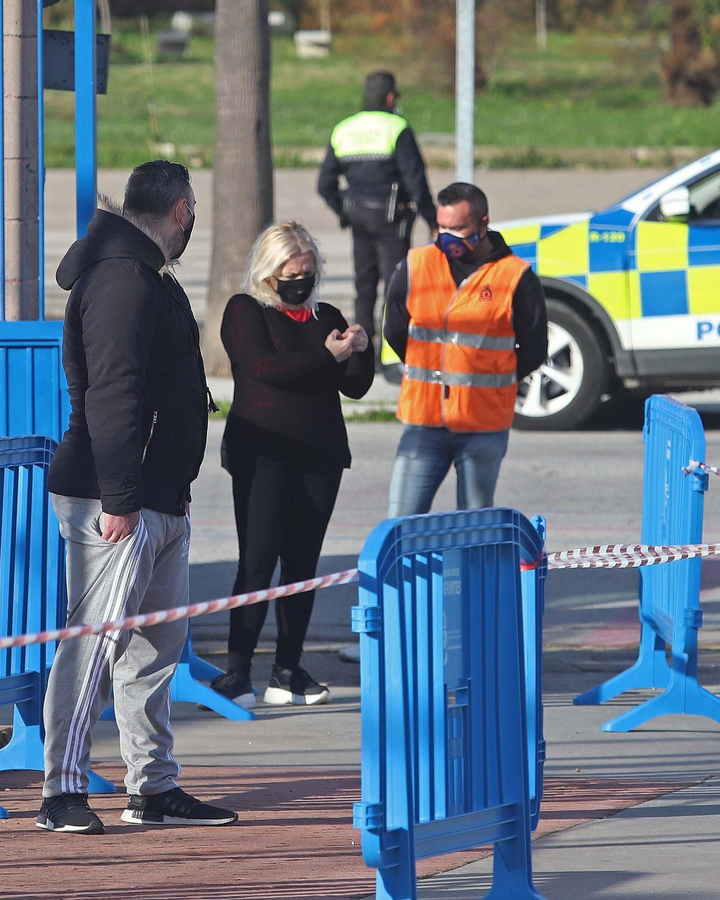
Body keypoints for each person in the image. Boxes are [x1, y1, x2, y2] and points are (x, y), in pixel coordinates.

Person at [39, 160, 237, 834]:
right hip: (114, 497)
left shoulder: (146, 272)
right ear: (181, 210)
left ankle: (152, 788)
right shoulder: (125, 278)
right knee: (93, 647)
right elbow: (112, 395)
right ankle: (61, 793)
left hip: (160, 496)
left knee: (155, 651)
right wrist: (121, 497)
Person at [211, 222, 373, 708]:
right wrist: (327, 358)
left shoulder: (325, 315)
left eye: (308, 273)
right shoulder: (246, 311)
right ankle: (237, 671)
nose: (301, 282)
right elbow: (262, 370)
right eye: (291, 274)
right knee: (257, 563)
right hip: (263, 454)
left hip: (318, 456)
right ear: (269, 272)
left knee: (302, 567)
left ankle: (288, 668)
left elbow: (355, 386)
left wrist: (360, 352)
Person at [382, 182, 548, 518]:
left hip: (483, 423)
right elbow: (395, 332)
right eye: (442, 227)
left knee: (472, 525)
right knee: (401, 523)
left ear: (483, 224)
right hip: (423, 421)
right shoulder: (416, 265)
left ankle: (468, 574)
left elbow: (533, 347)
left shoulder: (515, 276)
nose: (448, 237)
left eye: (458, 229)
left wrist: (491, 375)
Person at [317, 71, 437, 343]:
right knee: (395, 286)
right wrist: (433, 221)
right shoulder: (397, 127)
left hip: (358, 217)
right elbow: (416, 180)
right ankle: (392, 348)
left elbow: (325, 184)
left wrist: (343, 211)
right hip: (393, 219)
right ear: (391, 97)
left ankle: (364, 346)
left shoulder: (344, 129)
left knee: (364, 286)